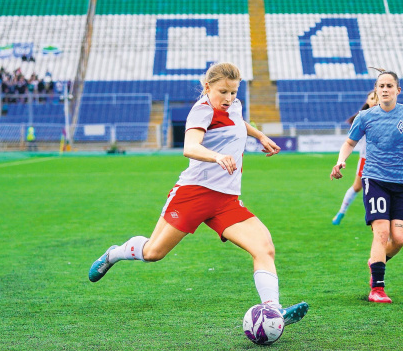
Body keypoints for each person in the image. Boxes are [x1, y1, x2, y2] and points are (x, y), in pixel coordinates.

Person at [89, 62, 309, 325]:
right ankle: (114, 254)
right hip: (194, 194)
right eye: (223, 92)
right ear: (208, 87)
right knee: (153, 252)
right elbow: (190, 147)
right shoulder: (201, 111)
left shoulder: (234, 105)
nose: (228, 98)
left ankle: (273, 310)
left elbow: (238, 122)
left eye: (233, 92)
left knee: (264, 247)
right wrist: (217, 156)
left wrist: (260, 136)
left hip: (226, 200)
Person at [330, 68, 403, 303]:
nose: (385, 90)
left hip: (402, 182)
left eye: (389, 86)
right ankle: (377, 288)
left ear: (398, 90)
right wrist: (340, 161)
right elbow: (349, 143)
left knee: (399, 239)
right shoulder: (365, 116)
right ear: (376, 90)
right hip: (374, 179)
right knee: (381, 232)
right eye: (381, 86)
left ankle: (376, 263)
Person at [332, 90, 379, 225]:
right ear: (367, 101)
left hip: (384, 160)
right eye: (372, 98)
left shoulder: (389, 117)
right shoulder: (362, 118)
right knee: (357, 187)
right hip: (366, 160)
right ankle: (341, 212)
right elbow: (350, 142)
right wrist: (341, 160)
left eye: (377, 98)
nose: (374, 100)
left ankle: (379, 219)